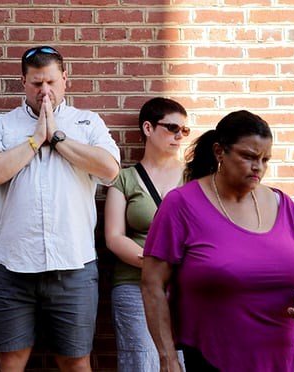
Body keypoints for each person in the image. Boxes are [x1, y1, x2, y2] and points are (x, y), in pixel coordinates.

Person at [141, 110, 294, 372]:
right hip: (213, 358)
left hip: (286, 361)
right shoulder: (181, 204)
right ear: (220, 152)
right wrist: (167, 357)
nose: (259, 167)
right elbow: (152, 283)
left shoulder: (283, 204)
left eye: (265, 159)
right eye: (249, 157)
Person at [0, 45, 120, 371]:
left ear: (65, 79)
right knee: (9, 362)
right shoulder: (0, 125)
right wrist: (34, 139)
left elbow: (109, 170)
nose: (45, 91)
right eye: (36, 83)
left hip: (74, 264)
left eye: (51, 82)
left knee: (75, 362)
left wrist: (55, 137)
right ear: (23, 82)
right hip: (13, 267)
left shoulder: (87, 122)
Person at [104, 97, 188, 371]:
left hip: (185, 287)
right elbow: (114, 237)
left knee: (186, 361)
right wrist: (155, 264)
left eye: (184, 131)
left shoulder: (195, 178)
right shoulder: (125, 179)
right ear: (148, 128)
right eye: (172, 128)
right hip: (134, 284)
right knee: (142, 361)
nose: (179, 136)